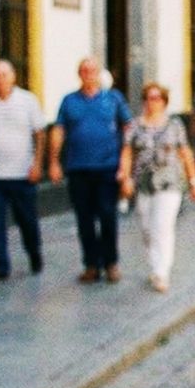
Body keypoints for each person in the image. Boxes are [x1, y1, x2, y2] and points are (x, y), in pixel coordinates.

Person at [49, 56, 133, 284]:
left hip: (107, 167)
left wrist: (126, 164)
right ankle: (91, 265)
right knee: (84, 219)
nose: (88, 74)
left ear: (98, 74)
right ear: (79, 74)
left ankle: (111, 263)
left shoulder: (113, 98)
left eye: (92, 70)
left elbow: (128, 127)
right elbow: (59, 130)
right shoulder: (69, 101)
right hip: (78, 168)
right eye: (84, 71)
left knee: (107, 216)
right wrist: (54, 161)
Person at [120, 84, 195, 293]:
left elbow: (185, 153)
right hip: (144, 183)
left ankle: (161, 272)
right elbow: (128, 152)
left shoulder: (175, 125)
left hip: (170, 182)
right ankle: (154, 265)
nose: (151, 102)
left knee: (163, 227)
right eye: (148, 98)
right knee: (147, 228)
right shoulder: (135, 126)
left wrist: (194, 181)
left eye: (156, 98)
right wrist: (126, 178)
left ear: (164, 101)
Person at [0, 60, 45, 281]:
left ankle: (34, 252)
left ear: (13, 77)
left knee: (27, 220)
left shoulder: (28, 101)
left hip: (22, 173)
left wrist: (37, 164)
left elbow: (40, 134)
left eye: (4, 75)